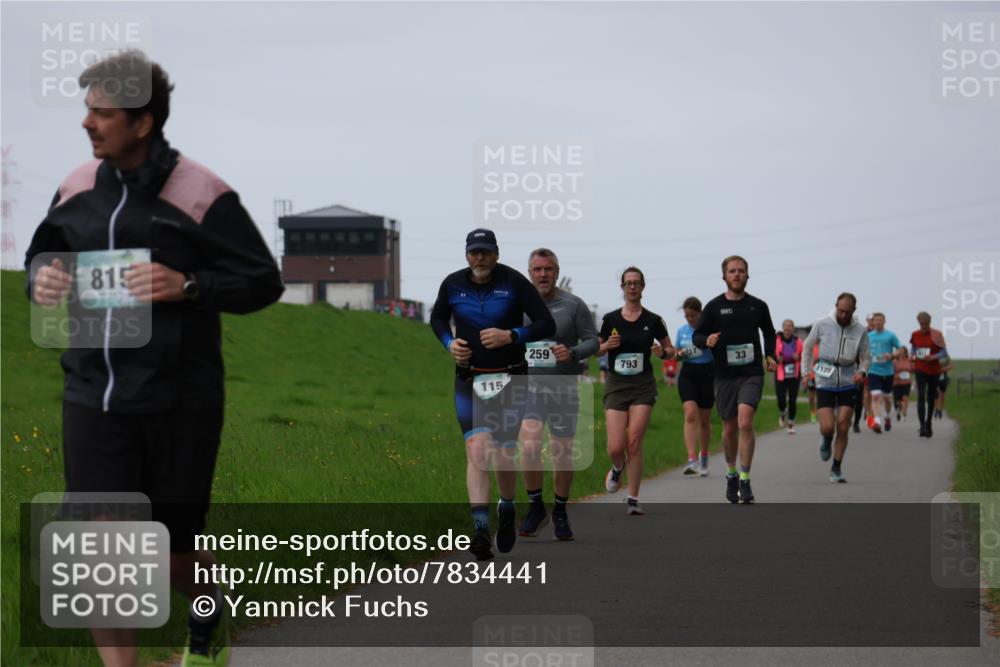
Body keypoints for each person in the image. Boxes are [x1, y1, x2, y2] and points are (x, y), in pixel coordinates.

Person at [26, 51, 284, 667]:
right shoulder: (76, 188)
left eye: (103, 114)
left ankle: (203, 634)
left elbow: (261, 280)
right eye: (87, 111)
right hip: (93, 395)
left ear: (142, 123)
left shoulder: (200, 194)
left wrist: (189, 286)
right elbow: (42, 260)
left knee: (172, 552)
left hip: (179, 400)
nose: (88, 124)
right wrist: (43, 282)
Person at [430, 228, 555, 560]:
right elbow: (438, 318)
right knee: (477, 449)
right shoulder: (452, 284)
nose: (480, 258)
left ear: (496, 253)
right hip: (469, 380)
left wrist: (512, 335)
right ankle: (480, 530)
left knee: (502, 453)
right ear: (467, 255)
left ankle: (508, 507)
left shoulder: (514, 282)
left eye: (485, 251)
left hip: (511, 379)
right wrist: (448, 343)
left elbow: (546, 324)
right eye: (474, 252)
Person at [518, 248, 598, 541]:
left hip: (564, 387)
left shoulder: (573, 305)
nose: (543, 275)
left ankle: (561, 510)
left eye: (548, 269)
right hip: (529, 387)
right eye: (537, 269)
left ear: (556, 271)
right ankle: (536, 505)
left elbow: (593, 341)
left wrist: (573, 352)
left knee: (561, 452)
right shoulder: (519, 305)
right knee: (529, 445)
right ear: (529, 273)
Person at [692, 256, 776, 504]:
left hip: (751, 373)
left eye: (741, 271)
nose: (737, 274)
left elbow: (769, 332)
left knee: (745, 422)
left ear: (748, 275)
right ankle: (731, 473)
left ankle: (746, 478)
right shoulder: (714, 307)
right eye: (732, 271)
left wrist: (770, 354)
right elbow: (698, 335)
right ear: (724, 276)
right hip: (724, 375)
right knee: (729, 428)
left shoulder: (758, 306)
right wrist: (706, 341)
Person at [598, 267, 674, 515]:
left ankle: (632, 498)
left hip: (643, 385)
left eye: (636, 283)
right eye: (628, 283)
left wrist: (662, 353)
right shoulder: (610, 319)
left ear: (643, 286)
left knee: (634, 441)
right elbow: (597, 349)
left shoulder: (653, 320)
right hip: (617, 385)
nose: (632, 287)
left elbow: (669, 349)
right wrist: (607, 345)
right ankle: (617, 467)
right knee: (615, 447)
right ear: (622, 287)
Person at [801, 294, 871, 483]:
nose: (843, 314)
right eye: (840, 310)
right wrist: (805, 374)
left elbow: (866, 356)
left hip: (849, 380)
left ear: (853, 311)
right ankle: (825, 439)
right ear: (836, 306)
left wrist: (862, 372)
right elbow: (807, 347)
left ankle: (836, 468)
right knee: (828, 426)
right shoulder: (822, 323)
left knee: (843, 426)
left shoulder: (860, 330)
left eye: (847, 312)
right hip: (825, 379)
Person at [675, 297, 714, 476]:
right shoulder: (682, 331)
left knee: (705, 419)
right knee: (690, 414)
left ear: (700, 313)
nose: (689, 319)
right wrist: (679, 354)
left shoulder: (708, 329)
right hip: (688, 374)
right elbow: (675, 354)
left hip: (707, 374)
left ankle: (704, 456)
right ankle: (692, 459)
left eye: (693, 315)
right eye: (687, 316)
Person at [909, 312, 948, 438]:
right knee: (921, 395)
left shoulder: (937, 334)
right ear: (918, 323)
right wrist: (913, 356)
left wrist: (933, 357)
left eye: (926, 324)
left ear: (930, 322)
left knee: (931, 397)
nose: (924, 326)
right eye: (922, 324)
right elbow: (913, 348)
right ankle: (922, 426)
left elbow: (944, 352)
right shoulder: (915, 334)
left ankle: (929, 422)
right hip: (920, 367)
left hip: (934, 369)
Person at [865, 312, 902, 433]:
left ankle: (886, 416)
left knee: (887, 399)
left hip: (887, 371)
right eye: (875, 320)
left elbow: (900, 349)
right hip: (873, 370)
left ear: (884, 321)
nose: (877, 322)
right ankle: (877, 421)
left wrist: (891, 355)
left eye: (880, 320)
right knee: (875, 396)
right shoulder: (869, 336)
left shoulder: (890, 335)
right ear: (872, 322)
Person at [774, 319, 803, 435]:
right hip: (781, 373)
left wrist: (798, 357)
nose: (787, 328)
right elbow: (772, 354)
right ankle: (782, 412)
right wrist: (777, 359)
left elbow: (803, 356)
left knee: (792, 400)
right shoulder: (777, 340)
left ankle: (790, 424)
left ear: (793, 328)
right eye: (785, 326)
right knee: (781, 399)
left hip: (794, 374)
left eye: (790, 326)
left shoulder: (798, 341)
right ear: (782, 328)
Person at [892, 348, 914, 421]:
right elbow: (891, 372)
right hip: (897, 383)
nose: (901, 354)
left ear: (906, 353)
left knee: (905, 398)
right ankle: (899, 410)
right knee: (898, 401)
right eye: (900, 352)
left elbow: (913, 369)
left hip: (907, 382)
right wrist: (896, 376)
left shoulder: (909, 360)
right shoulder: (894, 361)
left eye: (903, 352)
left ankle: (904, 413)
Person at [806, 341, 819, 423]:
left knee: (822, 395)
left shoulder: (825, 345)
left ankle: (822, 413)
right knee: (811, 397)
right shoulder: (810, 346)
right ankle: (813, 412)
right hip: (812, 375)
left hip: (823, 375)